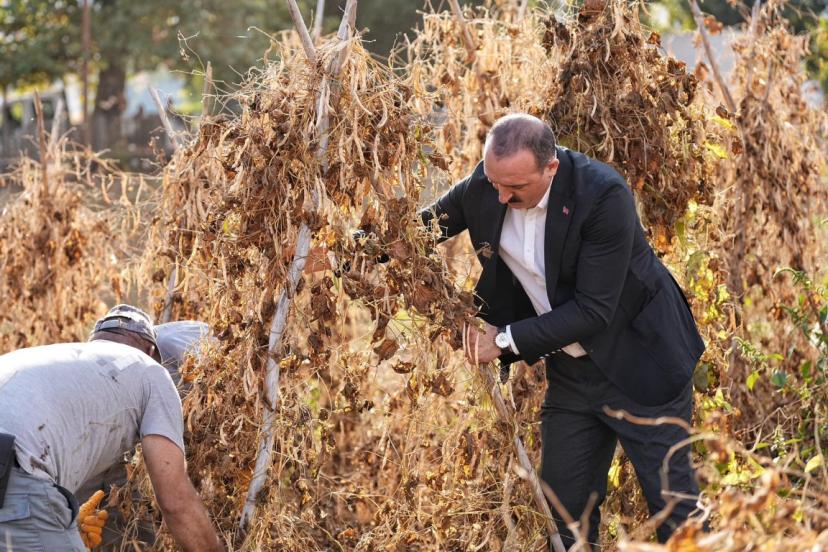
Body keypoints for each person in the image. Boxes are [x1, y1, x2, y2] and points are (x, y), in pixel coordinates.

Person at [419, 113, 705, 548]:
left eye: (515, 187)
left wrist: (502, 341)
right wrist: (344, 252)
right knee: (564, 513)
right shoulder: (488, 185)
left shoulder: (602, 195)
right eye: (494, 182)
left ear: (550, 167)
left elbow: (593, 311)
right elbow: (417, 229)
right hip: (572, 375)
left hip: (644, 363)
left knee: (674, 510)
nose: (501, 196)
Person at [0, 305, 223, 552]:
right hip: (14, 471)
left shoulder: (60, 360)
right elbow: (175, 500)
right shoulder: (150, 371)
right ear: (151, 350)